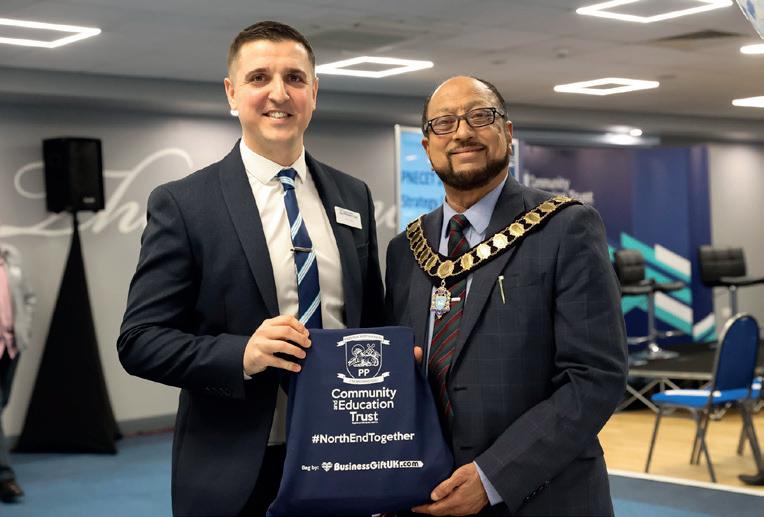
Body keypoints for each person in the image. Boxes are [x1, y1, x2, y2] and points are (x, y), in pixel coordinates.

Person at [118, 21, 384, 517]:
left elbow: (370, 319)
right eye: (259, 77)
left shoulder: (353, 196)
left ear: (314, 92)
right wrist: (242, 353)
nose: (279, 93)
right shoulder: (185, 204)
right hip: (236, 466)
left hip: (346, 452)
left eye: (295, 78)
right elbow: (140, 341)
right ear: (232, 93)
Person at [384, 76, 627, 516]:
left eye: (480, 116)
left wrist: (494, 476)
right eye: (444, 123)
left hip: (543, 498)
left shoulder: (565, 228)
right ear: (427, 146)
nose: (462, 132)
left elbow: (594, 377)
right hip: (426, 497)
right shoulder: (405, 251)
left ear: (507, 132)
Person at [0, 242, 36, 503]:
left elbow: (28, 297)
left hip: (11, 348)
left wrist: (24, 328)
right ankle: (5, 478)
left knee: (3, 403)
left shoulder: (11, 261)